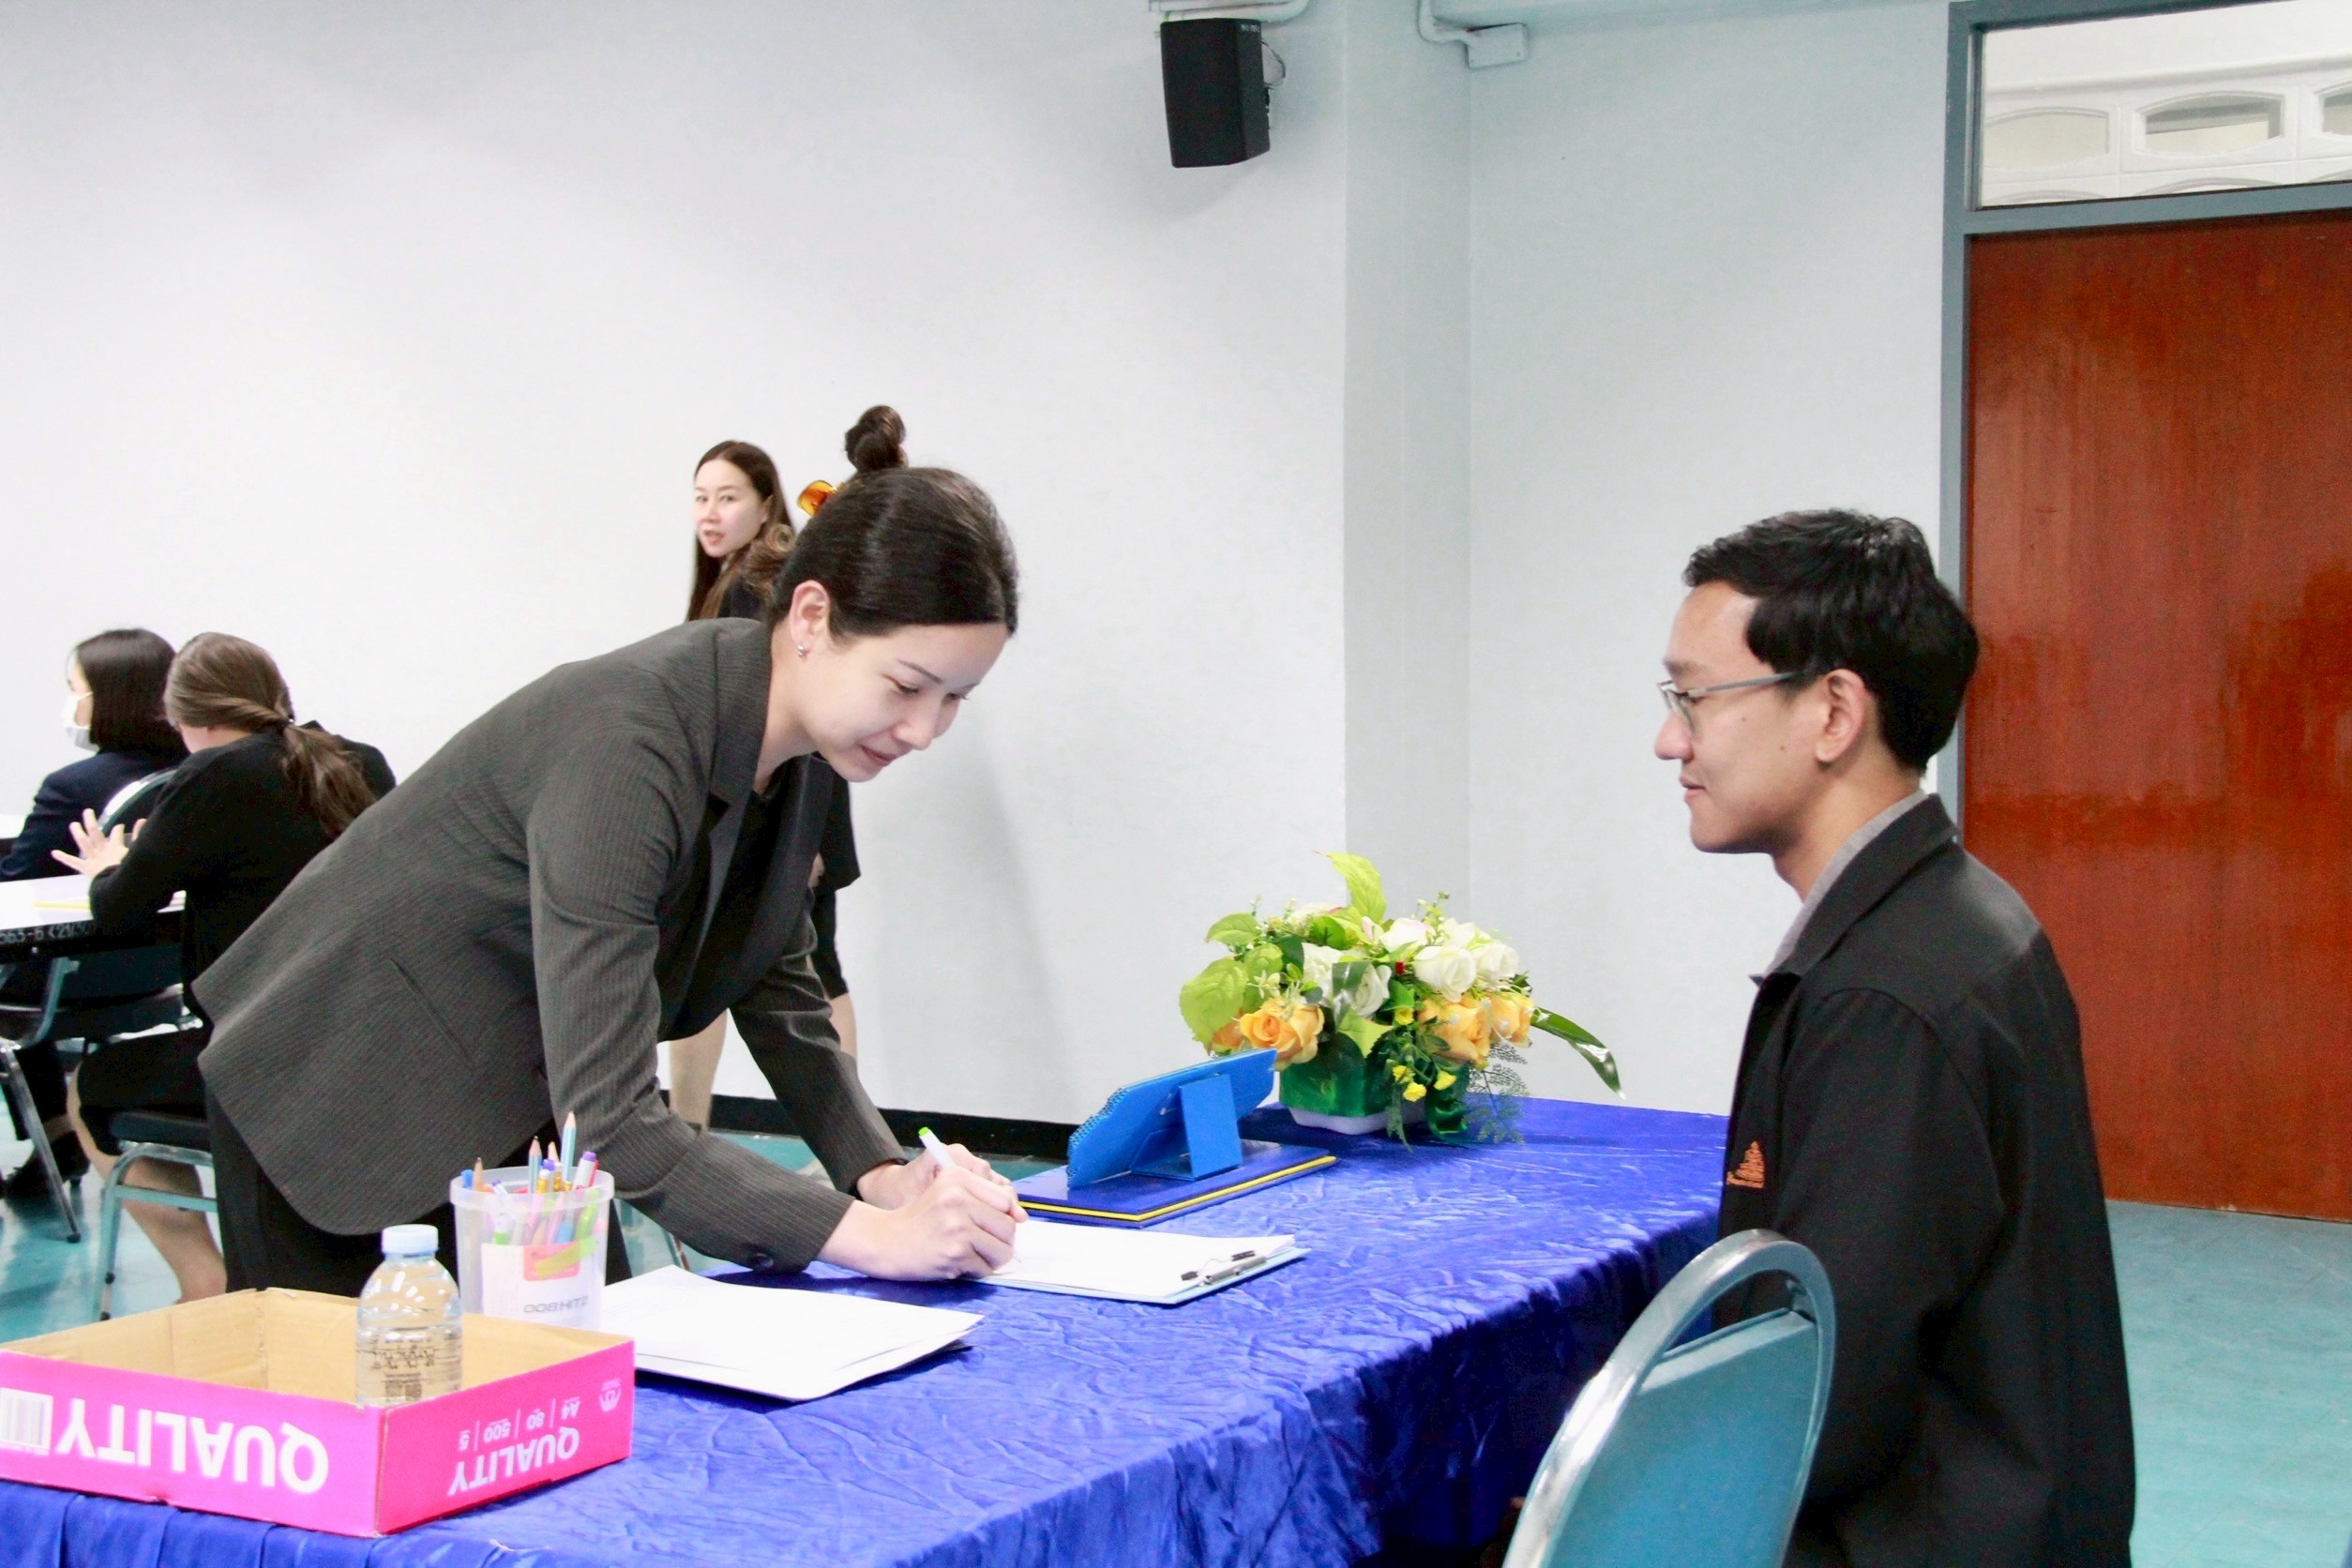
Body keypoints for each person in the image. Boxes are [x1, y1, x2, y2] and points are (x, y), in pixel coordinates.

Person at [197, 424, 1025, 1293]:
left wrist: (883, 1173)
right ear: (812, 617)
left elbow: (777, 980)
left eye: (954, 699)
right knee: (395, 1377)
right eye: (906, 686)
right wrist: (873, 1238)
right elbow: (616, 1124)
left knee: (583, 1363)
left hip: (515, 1108)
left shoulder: (802, 745)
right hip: (339, 1092)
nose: (923, 730)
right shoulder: (632, 740)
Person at [1654, 510, 2133, 1565]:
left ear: (1833, 712)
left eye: (1695, 698)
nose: (1670, 741)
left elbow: (1821, 1396)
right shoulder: (1957, 916)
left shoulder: (1886, 996)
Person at [52, 632, 393, 1302]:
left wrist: (108, 867)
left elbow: (120, 908)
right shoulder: (360, 762)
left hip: (254, 1058)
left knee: (92, 1083)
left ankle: (200, 1280)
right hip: (365, 1044)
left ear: (183, 716)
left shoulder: (211, 777)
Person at [668, 432, 868, 1129]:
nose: (710, 512)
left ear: (765, 505)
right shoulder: (739, 583)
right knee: (779, 969)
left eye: (728, 497)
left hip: (788, 811)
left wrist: (803, 835)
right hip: (773, 811)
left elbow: (789, 714)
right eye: (701, 497)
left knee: (805, 971)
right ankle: (693, 1128)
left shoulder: (757, 586)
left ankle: (842, 1143)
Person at [1, 629, 186, 1194]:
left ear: (111, 698)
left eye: (75, 689)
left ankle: (56, 1134)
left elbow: (18, 889)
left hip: (66, 984)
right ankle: (58, 1137)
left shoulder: (73, 787)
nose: (71, 705)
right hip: (160, 974)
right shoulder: (198, 775)